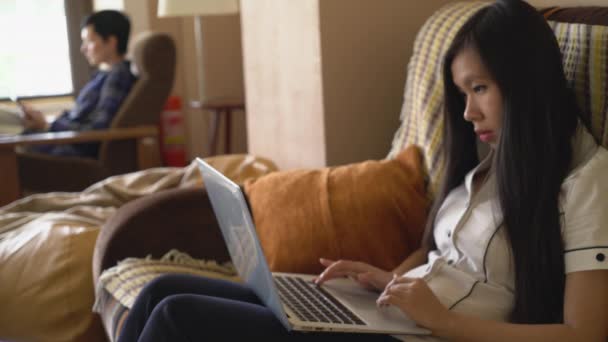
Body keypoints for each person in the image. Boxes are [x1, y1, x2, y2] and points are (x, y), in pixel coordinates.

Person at [117, 1, 608, 341]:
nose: (467, 113)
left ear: (523, 79)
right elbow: (446, 251)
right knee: (161, 289)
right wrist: (388, 278)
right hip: (396, 318)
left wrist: (441, 320)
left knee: (177, 317)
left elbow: (584, 333)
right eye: (463, 93)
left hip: (427, 336)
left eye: (479, 88)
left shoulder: (587, 180)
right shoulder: (503, 155)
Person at [21, 10, 135, 158]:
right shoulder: (103, 76)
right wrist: (46, 123)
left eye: (89, 41)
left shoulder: (117, 76)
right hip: (69, 142)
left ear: (111, 42)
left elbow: (99, 128)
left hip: (76, 151)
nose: (83, 48)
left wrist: (48, 126)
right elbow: (84, 118)